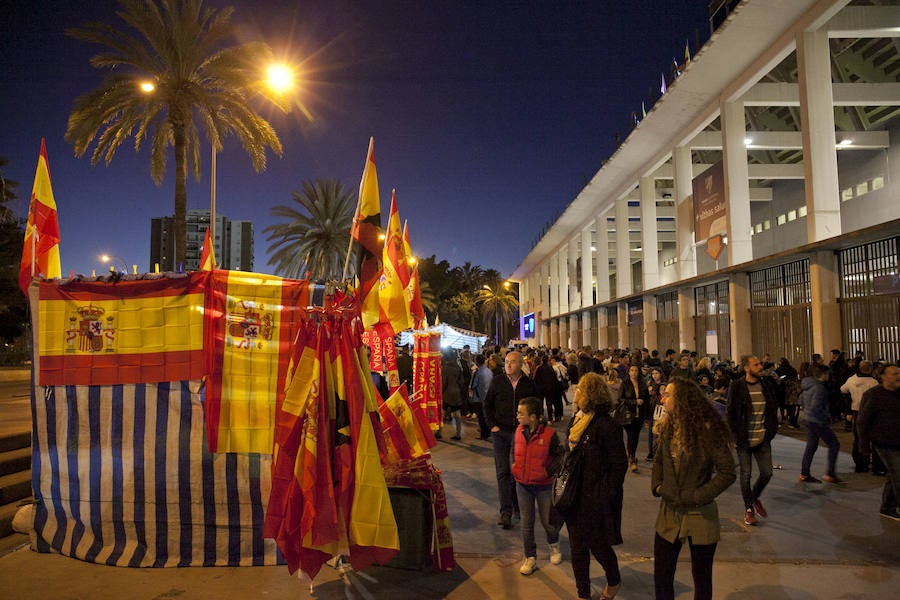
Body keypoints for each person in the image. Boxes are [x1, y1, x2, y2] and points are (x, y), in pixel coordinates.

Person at [651, 377, 736, 600]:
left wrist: (698, 495)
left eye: (667, 395)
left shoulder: (707, 429)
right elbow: (659, 460)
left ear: (681, 399)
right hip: (669, 512)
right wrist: (658, 486)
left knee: (702, 577)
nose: (663, 399)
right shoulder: (668, 425)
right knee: (662, 575)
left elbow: (728, 472)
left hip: (700, 515)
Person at [564, 372, 627, 600]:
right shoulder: (577, 420)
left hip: (595, 498)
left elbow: (619, 465)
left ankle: (614, 580)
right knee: (577, 548)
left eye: (580, 389)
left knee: (598, 544)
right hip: (574, 495)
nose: (576, 392)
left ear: (589, 394)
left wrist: (605, 492)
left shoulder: (606, 425)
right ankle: (583, 593)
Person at [512, 396, 565, 575]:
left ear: (533, 417)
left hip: (543, 486)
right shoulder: (518, 431)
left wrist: (546, 472)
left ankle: (554, 545)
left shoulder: (549, 435)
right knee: (526, 524)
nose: (518, 416)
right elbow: (513, 452)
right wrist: (514, 467)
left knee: (547, 521)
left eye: (521, 413)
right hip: (522, 485)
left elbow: (559, 456)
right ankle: (530, 557)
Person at [484, 351, 536, 529]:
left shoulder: (528, 383)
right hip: (501, 432)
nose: (508, 365)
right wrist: (492, 426)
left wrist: (530, 427)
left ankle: (517, 506)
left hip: (521, 433)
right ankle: (505, 512)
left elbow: (536, 406)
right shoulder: (498, 381)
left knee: (518, 472)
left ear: (521, 364)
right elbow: (487, 404)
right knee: (502, 472)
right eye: (506, 362)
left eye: (512, 362)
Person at [726, 355, 779, 526]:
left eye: (760, 364)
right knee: (746, 475)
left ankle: (754, 497)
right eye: (756, 365)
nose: (760, 367)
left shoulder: (766, 385)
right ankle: (749, 509)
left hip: (762, 438)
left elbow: (772, 408)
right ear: (747, 368)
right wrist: (733, 436)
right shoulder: (737, 386)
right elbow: (730, 412)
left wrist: (771, 430)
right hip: (744, 439)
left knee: (767, 472)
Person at [857, 364, 900, 522]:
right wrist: (864, 445)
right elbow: (862, 422)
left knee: (894, 475)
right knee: (899, 475)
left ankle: (887, 507)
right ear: (883, 377)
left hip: (898, 440)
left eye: (899, 373)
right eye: (894, 373)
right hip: (884, 442)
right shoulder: (873, 395)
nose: (898, 376)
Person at [798, 363, 845, 484]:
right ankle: (830, 473)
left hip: (808, 419)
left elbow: (800, 401)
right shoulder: (820, 388)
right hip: (818, 421)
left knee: (811, 446)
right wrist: (826, 418)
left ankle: (805, 473)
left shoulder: (807, 385)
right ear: (824, 374)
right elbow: (816, 407)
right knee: (834, 444)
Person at [841, 360, 879, 472]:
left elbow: (843, 390)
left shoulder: (851, 380)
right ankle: (875, 464)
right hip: (871, 412)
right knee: (873, 438)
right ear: (871, 369)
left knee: (858, 438)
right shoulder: (874, 383)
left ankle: (860, 463)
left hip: (856, 411)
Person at [621, 364, 649, 473]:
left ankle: (632, 455)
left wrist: (646, 417)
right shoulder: (624, 384)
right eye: (632, 370)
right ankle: (631, 458)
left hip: (639, 415)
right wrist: (634, 402)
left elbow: (646, 400)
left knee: (636, 437)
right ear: (628, 372)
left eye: (636, 370)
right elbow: (620, 400)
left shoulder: (642, 384)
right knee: (631, 436)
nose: (634, 373)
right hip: (628, 415)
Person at [441, 351, 464, 440]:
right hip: (456, 392)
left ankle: (439, 432)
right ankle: (458, 433)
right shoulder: (458, 368)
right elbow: (461, 382)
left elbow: (444, 382)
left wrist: (441, 391)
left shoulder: (445, 368)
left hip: (447, 393)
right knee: (457, 414)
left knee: (443, 412)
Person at [469, 354, 493, 439]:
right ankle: (488, 432)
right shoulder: (489, 371)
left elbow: (473, 385)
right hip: (488, 397)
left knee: (481, 417)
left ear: (476, 361)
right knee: (486, 416)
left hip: (479, 398)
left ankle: (484, 434)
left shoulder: (478, 372)